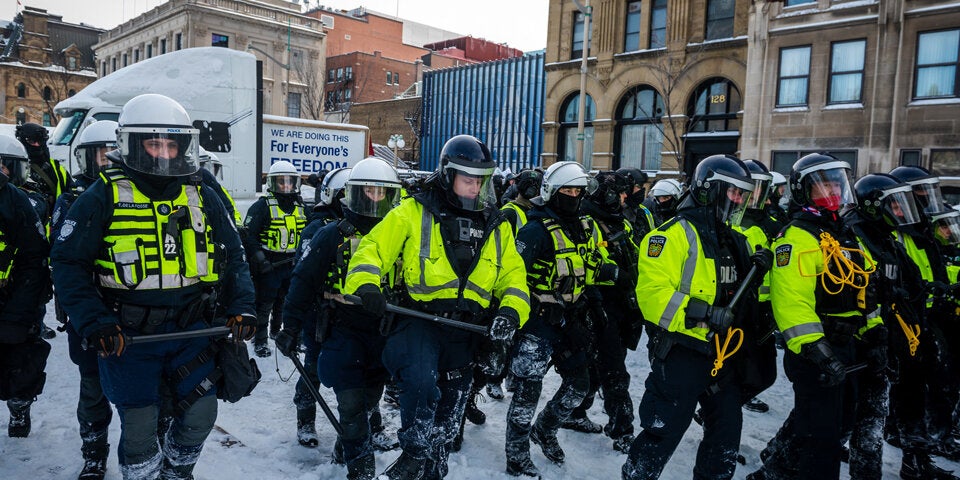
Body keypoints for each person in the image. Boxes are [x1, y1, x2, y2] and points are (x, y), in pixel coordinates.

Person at [50, 93, 257, 480]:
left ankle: (177, 472)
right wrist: (95, 322)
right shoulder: (102, 196)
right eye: (153, 142)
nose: (163, 152)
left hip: (192, 330)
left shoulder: (203, 194)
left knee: (201, 413)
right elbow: (67, 264)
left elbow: (235, 256)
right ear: (132, 145)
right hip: (128, 337)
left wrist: (242, 305)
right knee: (141, 427)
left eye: (170, 143)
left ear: (183, 147)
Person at [344, 134, 530, 479]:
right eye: (468, 180)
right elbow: (371, 250)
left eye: (481, 181)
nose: (475, 188)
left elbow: (514, 278)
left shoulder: (495, 224)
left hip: (466, 329)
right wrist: (367, 284)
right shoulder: (413, 211)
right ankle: (414, 450)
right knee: (419, 382)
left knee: (453, 400)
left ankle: (435, 461)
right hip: (421, 320)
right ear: (447, 175)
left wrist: (510, 311)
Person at [622, 154, 766, 480]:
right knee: (661, 433)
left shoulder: (733, 238)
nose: (739, 200)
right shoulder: (669, 236)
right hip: (681, 354)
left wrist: (756, 270)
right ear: (709, 189)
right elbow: (653, 295)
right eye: (733, 192)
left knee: (725, 437)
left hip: (723, 355)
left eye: (743, 194)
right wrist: (701, 312)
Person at [277, 157, 403, 480]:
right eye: (367, 192)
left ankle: (344, 449)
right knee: (350, 405)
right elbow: (302, 281)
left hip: (384, 335)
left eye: (381, 193)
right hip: (343, 332)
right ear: (353, 194)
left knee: (370, 402)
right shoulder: (330, 235)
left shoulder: (403, 238)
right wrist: (289, 325)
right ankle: (360, 471)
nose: (374, 200)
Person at [749, 153, 873, 480]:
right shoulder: (798, 236)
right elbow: (791, 301)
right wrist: (815, 349)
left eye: (836, 183)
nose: (832, 191)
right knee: (822, 437)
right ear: (805, 192)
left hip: (848, 344)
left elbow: (864, 289)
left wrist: (874, 331)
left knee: (840, 419)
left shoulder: (846, 232)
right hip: (815, 349)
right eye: (823, 186)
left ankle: (775, 468)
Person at [505, 161, 617, 477]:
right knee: (528, 391)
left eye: (578, 191)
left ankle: (546, 427)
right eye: (567, 190)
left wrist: (602, 282)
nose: (573, 196)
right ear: (552, 192)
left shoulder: (585, 225)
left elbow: (588, 266)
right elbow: (513, 277)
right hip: (537, 323)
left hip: (572, 319)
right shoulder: (534, 230)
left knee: (579, 385)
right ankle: (516, 454)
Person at [843, 173, 924, 480]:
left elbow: (911, 282)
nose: (901, 212)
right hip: (864, 341)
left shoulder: (887, 238)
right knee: (844, 415)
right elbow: (858, 292)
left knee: (870, 416)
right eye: (896, 205)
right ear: (875, 206)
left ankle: (866, 473)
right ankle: (780, 463)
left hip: (889, 338)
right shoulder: (856, 235)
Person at [50, 120, 118, 480]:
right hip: (89, 309)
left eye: (112, 153)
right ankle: (94, 453)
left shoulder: (133, 194)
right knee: (93, 385)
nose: (106, 161)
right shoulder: (73, 199)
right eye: (100, 154)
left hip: (133, 307)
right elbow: (62, 257)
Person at [887, 165, 960, 479]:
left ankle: (920, 453)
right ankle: (914, 452)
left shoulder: (923, 232)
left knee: (930, 386)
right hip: (906, 322)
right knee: (912, 390)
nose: (927, 200)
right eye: (920, 193)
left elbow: (936, 272)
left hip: (930, 316)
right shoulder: (896, 234)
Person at [574, 170, 644, 452]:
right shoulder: (586, 221)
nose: (628, 197)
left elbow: (634, 255)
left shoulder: (619, 221)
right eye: (623, 192)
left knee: (595, 365)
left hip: (621, 304)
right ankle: (622, 428)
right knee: (614, 370)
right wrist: (613, 273)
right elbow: (586, 260)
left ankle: (575, 411)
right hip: (599, 305)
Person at [0, 134, 51, 441]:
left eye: (6, 167)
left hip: (13, 298)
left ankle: (19, 406)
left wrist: (20, 311)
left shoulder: (20, 201)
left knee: (20, 363)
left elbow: (34, 259)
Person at [242, 160, 307, 355]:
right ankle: (260, 339)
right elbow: (248, 235)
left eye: (290, 182)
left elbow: (310, 232)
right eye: (281, 182)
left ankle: (279, 332)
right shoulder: (262, 206)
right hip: (269, 264)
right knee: (265, 303)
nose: (286, 186)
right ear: (272, 183)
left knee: (287, 301)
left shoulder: (302, 206)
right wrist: (259, 258)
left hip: (292, 263)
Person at [733, 160, 781, 415]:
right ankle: (718, 412)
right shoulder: (729, 223)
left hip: (765, 311)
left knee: (766, 373)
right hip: (739, 309)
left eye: (760, 187)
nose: (755, 194)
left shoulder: (770, 224)